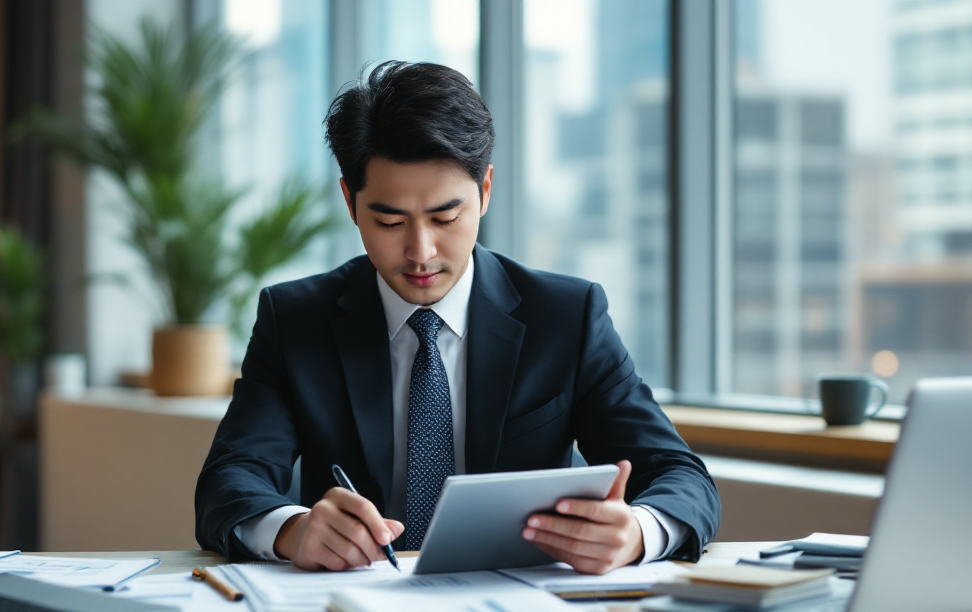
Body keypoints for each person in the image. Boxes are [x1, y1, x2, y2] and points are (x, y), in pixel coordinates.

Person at [195, 61, 720, 574]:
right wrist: (293, 530)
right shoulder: (295, 320)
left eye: (446, 217)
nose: (420, 252)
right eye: (389, 220)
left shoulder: (566, 317)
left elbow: (680, 475)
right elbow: (228, 482)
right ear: (350, 202)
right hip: (351, 608)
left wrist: (637, 531)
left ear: (485, 191)